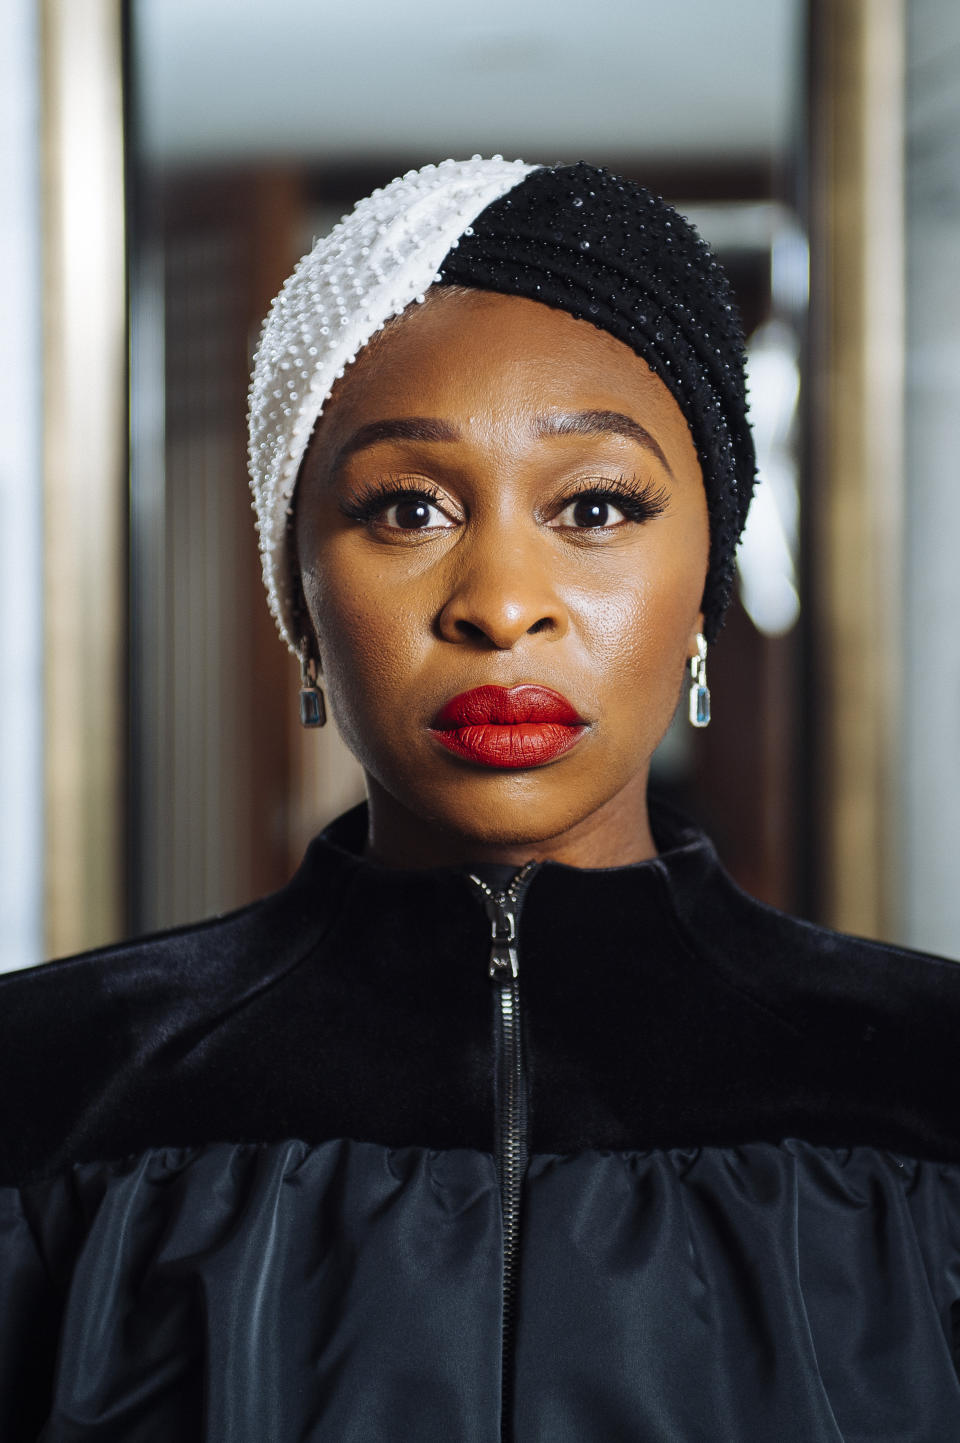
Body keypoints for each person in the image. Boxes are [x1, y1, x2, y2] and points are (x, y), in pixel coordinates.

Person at [2, 156, 960, 1442]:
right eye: (406, 507)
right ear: (300, 599)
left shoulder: (928, 1092)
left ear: (703, 590)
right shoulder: (49, 1098)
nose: (502, 602)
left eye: (597, 506)